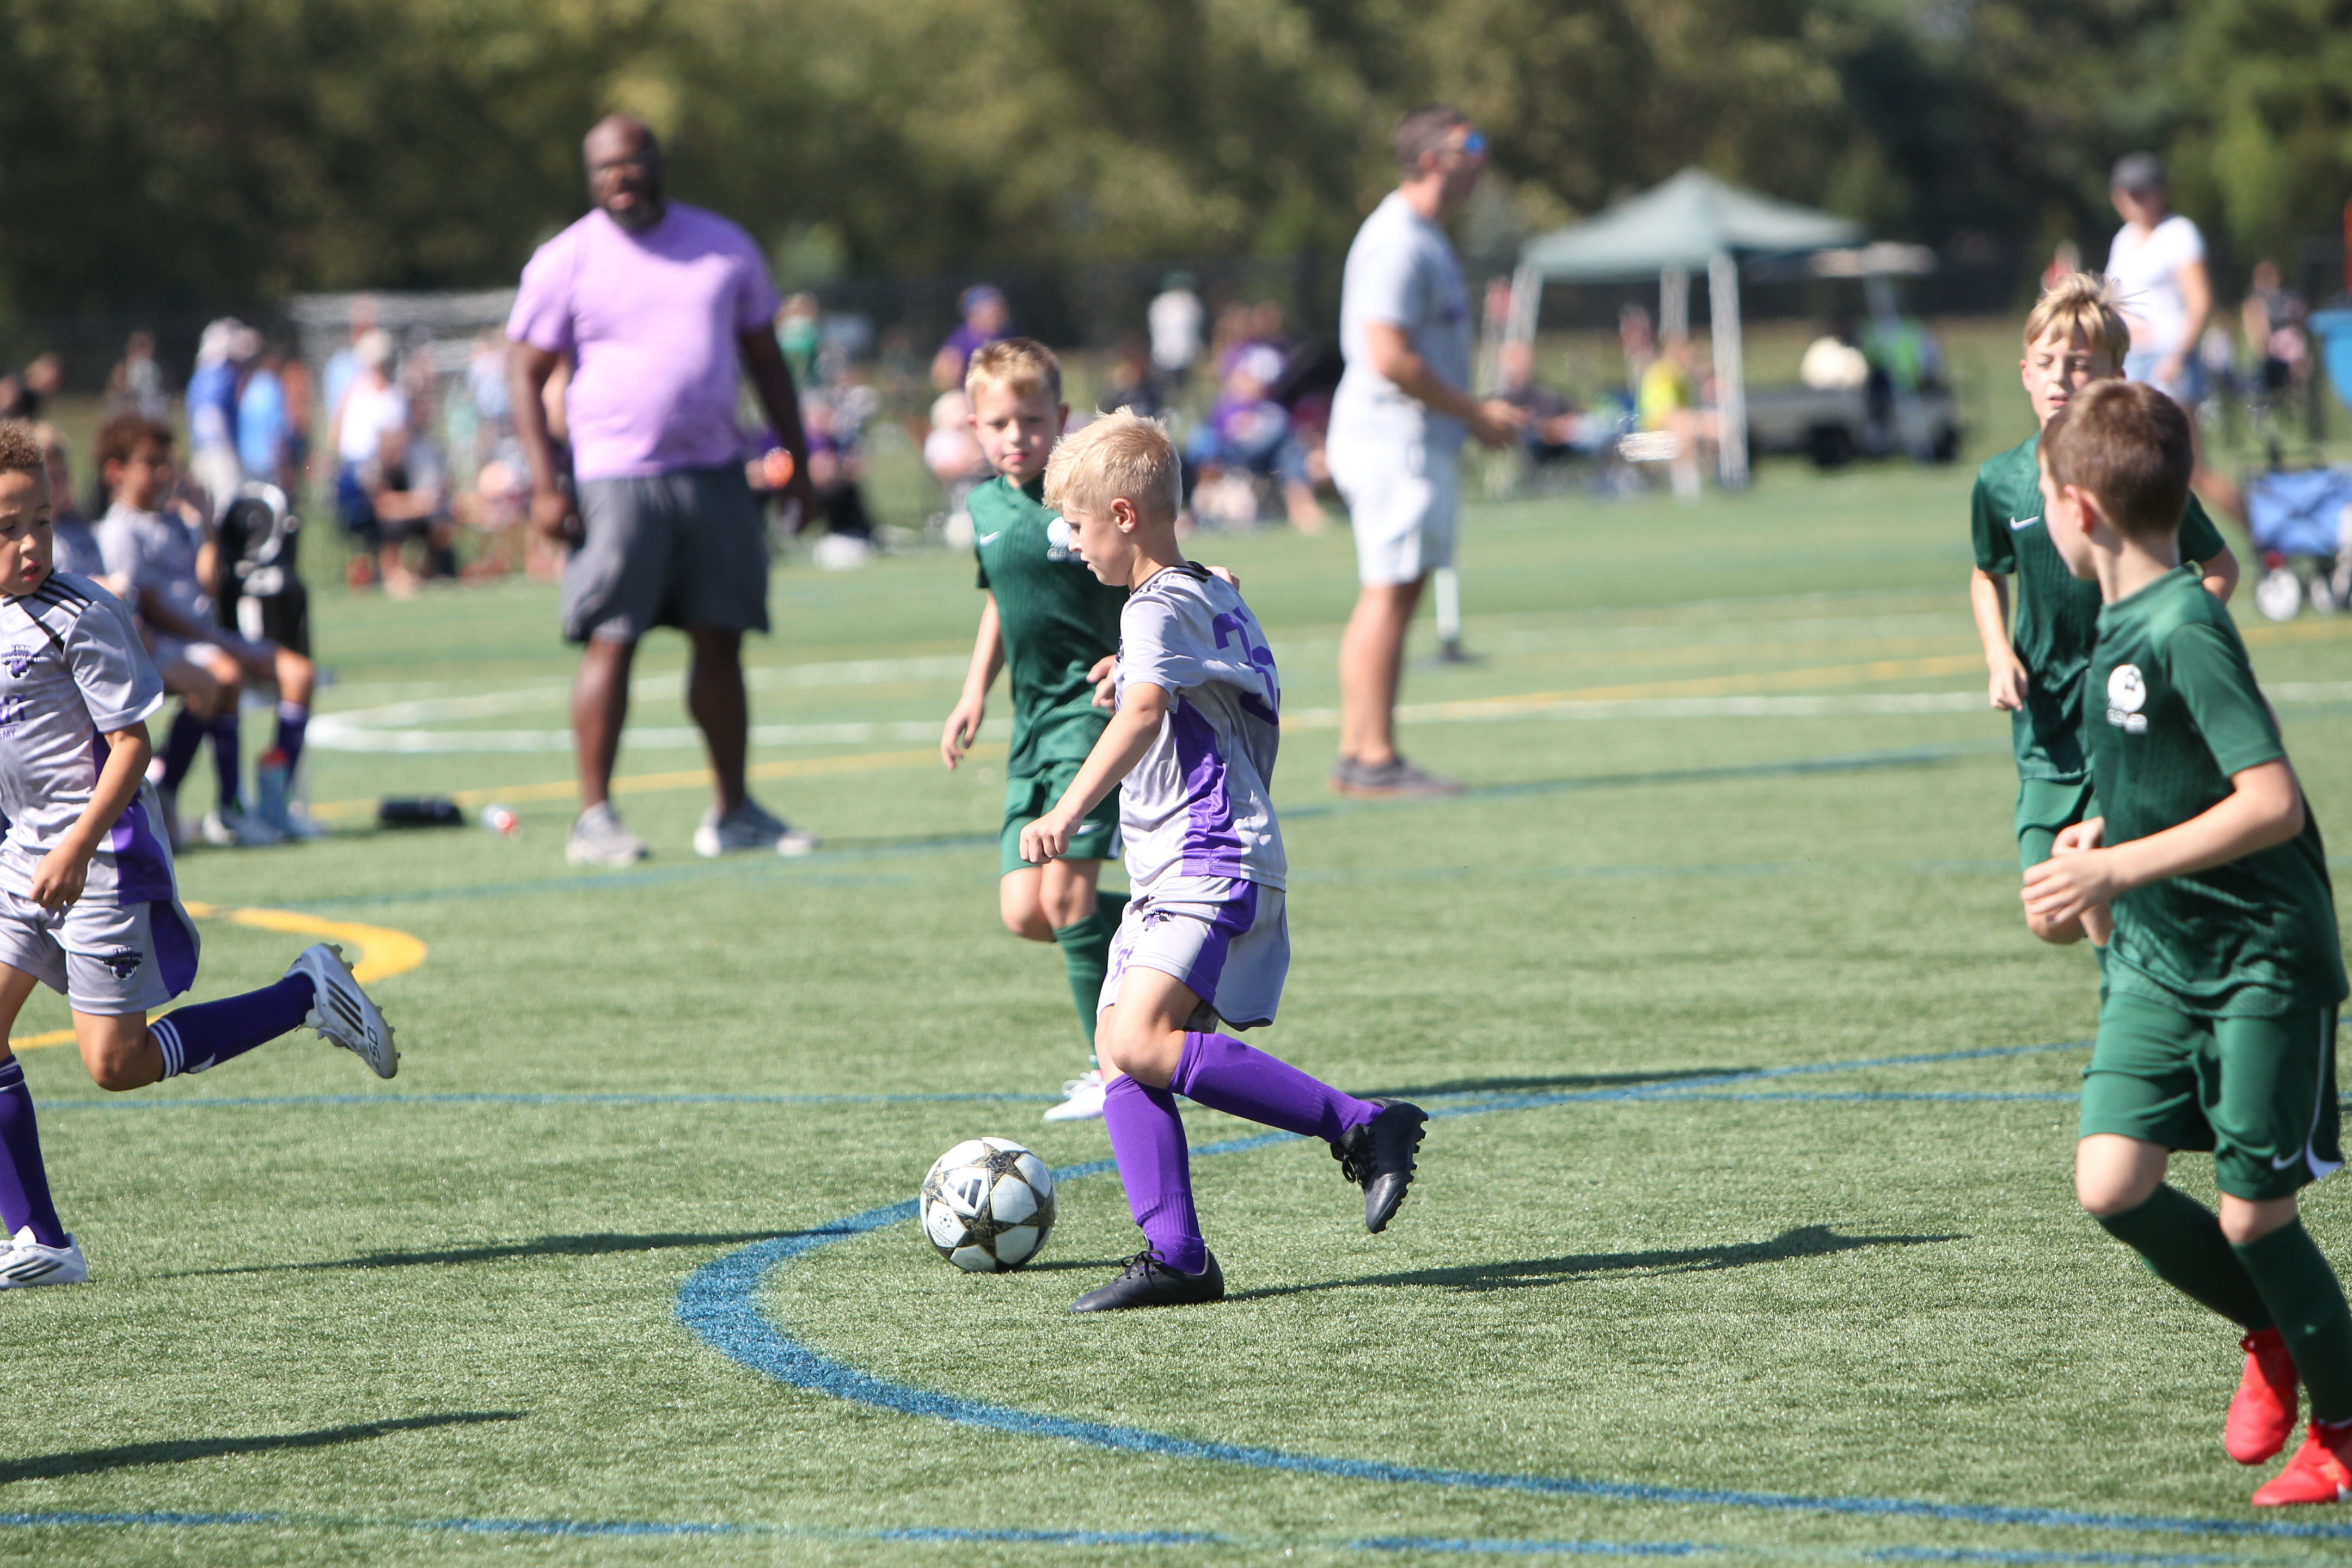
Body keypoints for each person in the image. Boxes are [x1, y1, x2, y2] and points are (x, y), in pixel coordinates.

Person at [2019, 378, 2352, 1507]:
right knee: (2112, 1184)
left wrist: (2114, 870)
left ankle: (2345, 1430)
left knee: (2257, 1217)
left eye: (2048, 496)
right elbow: (2167, 780)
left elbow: (2272, 803)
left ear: (2080, 510)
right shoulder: (2117, 627)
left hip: (2258, 957)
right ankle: (2279, 1328)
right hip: (2160, 956)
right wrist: (2094, 845)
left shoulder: (2185, 626)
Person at [1018, 412, 1429, 1310]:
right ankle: (1177, 1256)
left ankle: (1363, 1125)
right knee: (1120, 1052)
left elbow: (1144, 714)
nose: (1072, 546)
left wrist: (1066, 810)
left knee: (1139, 1039)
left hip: (1208, 852)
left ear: (1124, 516)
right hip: (1184, 861)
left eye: (1078, 527)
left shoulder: (1154, 608)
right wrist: (1127, 667)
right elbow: (1183, 663)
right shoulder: (1204, 589)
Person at [0, 421, 397, 1288]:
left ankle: (305, 993)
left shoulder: (80, 615)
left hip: (100, 857)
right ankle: (42, 1242)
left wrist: (75, 847)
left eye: (40, 522)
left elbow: (132, 746)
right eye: (6, 529)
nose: (29, 545)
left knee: (117, 1065)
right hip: (22, 860)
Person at [507, 115, 818, 868]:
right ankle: (595, 817)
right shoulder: (567, 258)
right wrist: (545, 483)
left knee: (722, 637)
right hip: (615, 477)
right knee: (612, 638)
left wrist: (800, 462)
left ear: (656, 161)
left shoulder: (724, 245)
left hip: (715, 471)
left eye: (630, 162)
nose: (619, 177)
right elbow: (525, 372)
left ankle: (735, 811)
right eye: (603, 168)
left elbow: (766, 359)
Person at [1969, 273, 2240, 942]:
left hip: (2128, 711)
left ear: (2116, 378)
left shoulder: (2135, 476)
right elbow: (1986, 574)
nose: (2060, 378)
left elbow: (2220, 566)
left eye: (2079, 365)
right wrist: (1998, 654)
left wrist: (2165, 645)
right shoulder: (2000, 480)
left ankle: (2138, 1000)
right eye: (2046, 363)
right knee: (2050, 917)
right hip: (2048, 724)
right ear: (2025, 372)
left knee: (2104, 881)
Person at [939, 340, 1129, 1125]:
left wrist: (1135, 654)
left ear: (1062, 418)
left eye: (1032, 420)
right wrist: (972, 693)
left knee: (1066, 894)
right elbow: (1000, 601)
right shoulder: (984, 508)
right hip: (1032, 726)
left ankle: (1113, 1070)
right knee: (1026, 911)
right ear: (974, 427)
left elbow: (1147, 569)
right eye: (998, 424)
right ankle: (1181, 946)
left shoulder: (1085, 497)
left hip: (1095, 717)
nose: (1015, 436)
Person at [1325, 104, 1523, 798]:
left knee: (1397, 592)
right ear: (1433, 157)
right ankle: (1373, 757)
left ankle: (1361, 754)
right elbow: (1388, 355)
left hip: (1407, 442)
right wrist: (1474, 412)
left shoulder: (1425, 236)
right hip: (1393, 442)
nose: (1482, 158)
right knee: (1390, 591)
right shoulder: (1398, 239)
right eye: (1471, 145)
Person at [97, 413, 317, 846]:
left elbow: (210, 584)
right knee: (225, 675)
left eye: (168, 462)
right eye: (151, 463)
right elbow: (150, 607)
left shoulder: (176, 520)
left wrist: (206, 525)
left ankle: (276, 801)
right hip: (167, 643)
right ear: (117, 471)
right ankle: (221, 805)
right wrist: (213, 639)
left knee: (300, 674)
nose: (165, 473)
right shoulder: (122, 528)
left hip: (205, 636)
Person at [930, 285, 1014, 394]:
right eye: (991, 308)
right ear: (974, 312)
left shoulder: (1010, 335)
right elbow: (942, 378)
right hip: (969, 396)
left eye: (1000, 307)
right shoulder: (960, 341)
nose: (998, 312)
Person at [1148, 273, 1203, 389]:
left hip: (1170, 353)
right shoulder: (1189, 302)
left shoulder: (1161, 303)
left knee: (1172, 386)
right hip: (1174, 352)